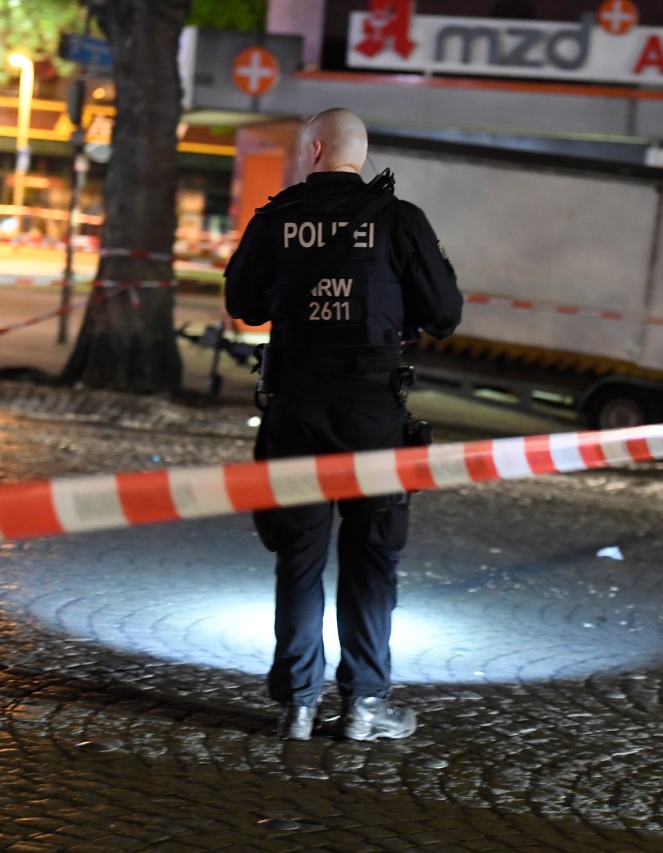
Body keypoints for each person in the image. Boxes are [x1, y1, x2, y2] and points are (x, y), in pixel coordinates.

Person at [224, 108, 464, 741]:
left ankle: (299, 704)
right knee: (371, 558)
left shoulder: (276, 218)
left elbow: (242, 305)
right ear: (358, 154)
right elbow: (445, 312)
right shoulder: (399, 220)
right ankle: (363, 706)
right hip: (373, 412)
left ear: (315, 150)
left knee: (299, 559)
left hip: (295, 407)